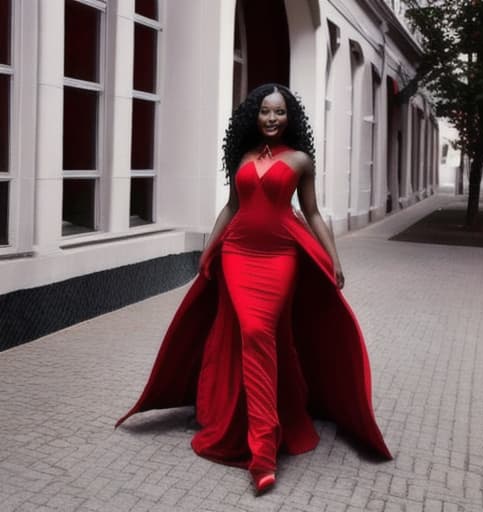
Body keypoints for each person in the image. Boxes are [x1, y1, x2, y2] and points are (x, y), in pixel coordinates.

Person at [116, 83, 391, 495]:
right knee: (256, 335)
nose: (272, 119)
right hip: (238, 254)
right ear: (254, 115)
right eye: (265, 111)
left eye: (279, 112)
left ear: (289, 117)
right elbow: (231, 207)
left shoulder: (300, 160)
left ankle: (264, 447)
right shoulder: (242, 156)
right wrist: (209, 251)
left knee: (261, 334)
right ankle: (262, 448)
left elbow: (313, 213)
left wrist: (333, 258)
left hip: (281, 256)